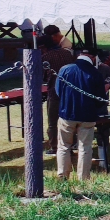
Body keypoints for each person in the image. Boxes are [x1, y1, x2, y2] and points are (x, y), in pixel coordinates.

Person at [55, 48, 110, 179]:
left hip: (67, 114)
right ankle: (83, 178)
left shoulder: (65, 69)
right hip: (87, 115)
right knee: (85, 147)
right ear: (93, 58)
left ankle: (62, 176)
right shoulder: (95, 73)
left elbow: (58, 91)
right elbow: (100, 99)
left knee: (64, 146)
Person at [40, 25, 77, 155]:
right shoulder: (67, 53)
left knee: (53, 122)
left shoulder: (45, 58)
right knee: (70, 118)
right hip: (69, 91)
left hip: (54, 91)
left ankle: (55, 146)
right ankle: (72, 142)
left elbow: (43, 76)